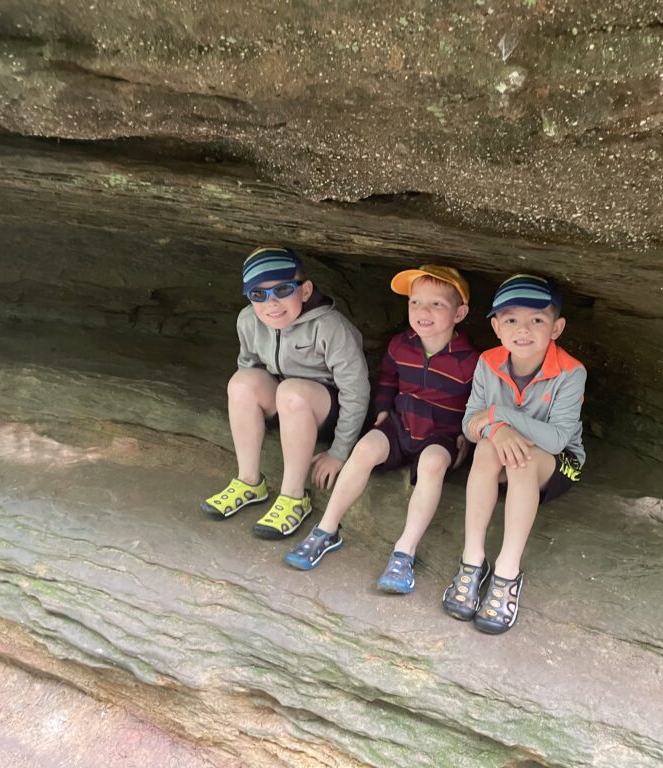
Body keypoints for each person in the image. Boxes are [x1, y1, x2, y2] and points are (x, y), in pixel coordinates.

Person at [284, 265, 480, 593]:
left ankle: (405, 551)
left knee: (432, 465)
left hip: (441, 435)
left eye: (437, 305)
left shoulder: (471, 361)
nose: (423, 312)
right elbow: (388, 378)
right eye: (415, 303)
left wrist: (467, 438)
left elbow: (480, 403)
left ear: (460, 313)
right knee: (363, 449)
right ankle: (326, 529)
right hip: (400, 425)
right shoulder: (400, 345)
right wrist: (384, 409)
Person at [442, 273, 585, 634]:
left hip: (559, 464)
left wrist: (500, 417)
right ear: (496, 327)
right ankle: (473, 560)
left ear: (557, 327)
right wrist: (496, 428)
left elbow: (555, 440)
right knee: (488, 448)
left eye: (537, 320)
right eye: (511, 320)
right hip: (501, 455)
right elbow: (469, 424)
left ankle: (507, 571)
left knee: (519, 458)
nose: (524, 330)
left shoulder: (571, 372)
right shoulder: (488, 362)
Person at [201, 246, 369, 540]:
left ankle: (293, 497)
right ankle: (250, 481)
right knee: (241, 382)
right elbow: (249, 367)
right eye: (258, 295)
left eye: (281, 289)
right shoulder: (248, 321)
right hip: (285, 403)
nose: (271, 303)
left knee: (291, 392)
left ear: (304, 291)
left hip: (325, 408)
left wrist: (340, 451)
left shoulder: (329, 326)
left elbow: (356, 390)